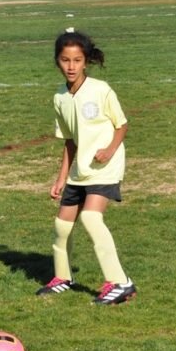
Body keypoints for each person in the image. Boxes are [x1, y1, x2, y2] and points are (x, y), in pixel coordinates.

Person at [37, 28, 136, 305]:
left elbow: (122, 125)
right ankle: (63, 277)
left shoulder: (100, 90)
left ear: (86, 61)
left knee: (91, 218)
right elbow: (69, 142)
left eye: (77, 60)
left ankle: (120, 282)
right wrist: (60, 178)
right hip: (79, 170)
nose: (71, 66)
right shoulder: (60, 98)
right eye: (65, 60)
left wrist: (110, 149)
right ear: (57, 61)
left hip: (106, 167)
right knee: (61, 225)